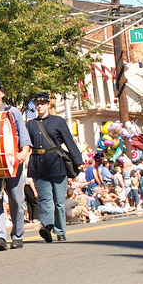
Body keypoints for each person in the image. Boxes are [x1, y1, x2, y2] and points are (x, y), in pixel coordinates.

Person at [26, 92, 84, 243]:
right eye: (37, 104)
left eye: (43, 103)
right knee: (45, 199)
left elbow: (69, 141)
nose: (40, 106)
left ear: (48, 105)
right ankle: (47, 226)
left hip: (56, 163)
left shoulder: (58, 121)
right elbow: (26, 143)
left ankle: (60, 230)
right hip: (38, 164)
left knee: (59, 200)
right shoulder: (30, 124)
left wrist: (78, 160)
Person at [0, 77, 32, 251]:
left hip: (13, 162)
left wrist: (24, 152)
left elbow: (25, 137)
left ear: (2, 93)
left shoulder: (14, 112)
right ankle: (0, 236)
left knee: (16, 200)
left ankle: (17, 235)